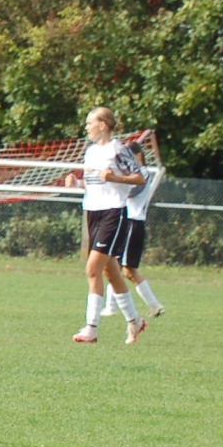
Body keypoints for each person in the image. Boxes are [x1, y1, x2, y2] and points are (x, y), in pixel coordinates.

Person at [63, 106, 147, 344]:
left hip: (113, 212)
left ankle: (91, 327)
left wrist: (114, 177)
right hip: (93, 212)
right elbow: (93, 183)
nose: (86, 127)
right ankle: (134, 320)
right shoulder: (90, 151)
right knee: (110, 271)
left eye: (90, 123)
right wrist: (76, 183)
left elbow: (139, 177)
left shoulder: (117, 149)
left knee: (92, 268)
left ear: (102, 125)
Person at [113, 137, 166, 319]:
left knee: (125, 269)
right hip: (127, 222)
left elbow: (130, 192)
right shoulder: (133, 173)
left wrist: (113, 182)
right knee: (115, 266)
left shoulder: (142, 173)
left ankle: (153, 304)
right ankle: (112, 308)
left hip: (133, 223)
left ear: (138, 156)